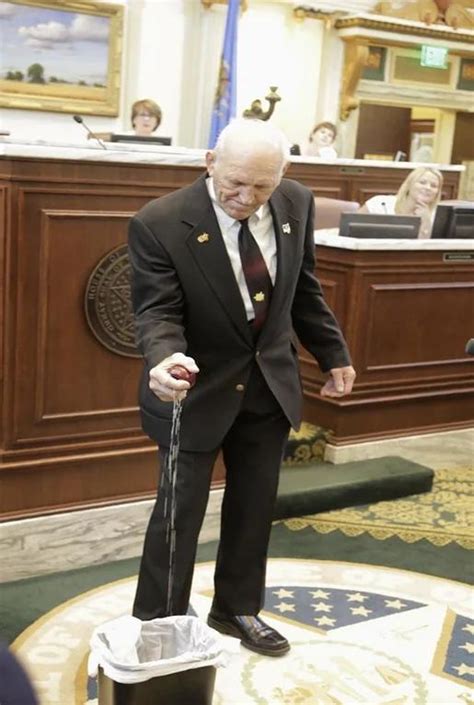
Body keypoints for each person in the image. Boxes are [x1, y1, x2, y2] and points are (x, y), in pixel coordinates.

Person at [128, 118, 355, 658]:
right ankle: (161, 626)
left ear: (283, 176)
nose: (246, 197)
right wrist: (164, 360)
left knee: (255, 506)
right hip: (194, 389)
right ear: (210, 162)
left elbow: (303, 289)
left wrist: (333, 353)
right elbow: (156, 312)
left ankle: (236, 608)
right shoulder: (159, 222)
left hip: (268, 385)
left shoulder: (296, 203)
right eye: (234, 182)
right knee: (177, 516)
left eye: (261, 186)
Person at [358, 166, 443, 239]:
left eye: (434, 186)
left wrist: (426, 222)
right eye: (422, 182)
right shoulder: (380, 203)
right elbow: (350, 230)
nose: (428, 188)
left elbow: (428, 250)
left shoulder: (437, 216)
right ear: (409, 185)